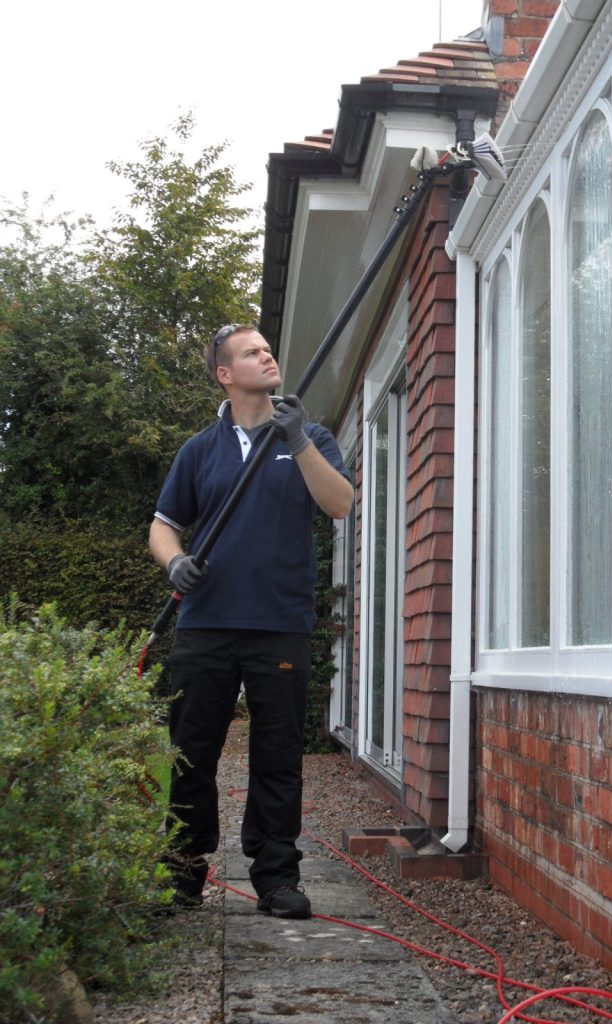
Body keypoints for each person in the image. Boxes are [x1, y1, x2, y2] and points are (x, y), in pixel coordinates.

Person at [149, 323, 353, 918]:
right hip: (205, 626)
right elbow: (162, 525)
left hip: (279, 623)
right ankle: (183, 873)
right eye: (250, 352)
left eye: (267, 349)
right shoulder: (199, 450)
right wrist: (176, 562)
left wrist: (299, 441)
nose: (266, 356)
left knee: (278, 754)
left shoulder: (309, 436)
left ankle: (276, 878)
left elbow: (340, 503)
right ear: (225, 374)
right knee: (190, 754)